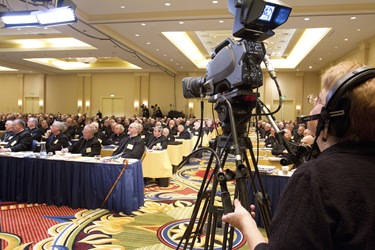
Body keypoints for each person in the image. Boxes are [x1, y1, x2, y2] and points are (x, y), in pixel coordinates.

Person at [222, 61, 375, 249]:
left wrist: (246, 222)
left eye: (319, 100)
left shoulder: (315, 177)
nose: (312, 106)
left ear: (335, 116)